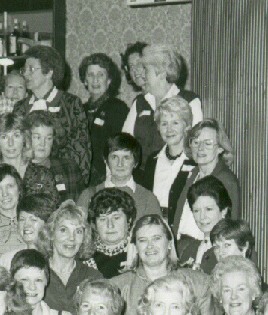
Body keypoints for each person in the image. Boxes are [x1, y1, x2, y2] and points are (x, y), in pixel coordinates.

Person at [111, 215, 213, 315]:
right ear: (136, 247)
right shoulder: (117, 287)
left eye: (156, 238)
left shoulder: (199, 283)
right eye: (142, 240)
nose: (150, 246)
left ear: (169, 243)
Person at [14, 45, 91, 199]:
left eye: (32, 69)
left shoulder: (70, 103)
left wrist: (76, 185)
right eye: (24, 70)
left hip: (64, 181)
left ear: (49, 72)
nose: (26, 74)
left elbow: (82, 149)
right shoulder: (20, 107)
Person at [122, 44, 203, 160]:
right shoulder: (140, 102)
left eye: (146, 70)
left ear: (162, 73)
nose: (142, 75)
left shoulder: (189, 100)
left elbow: (196, 145)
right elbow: (124, 143)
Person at [173, 119, 241, 239]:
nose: (200, 148)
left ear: (220, 148)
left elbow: (230, 228)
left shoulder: (226, 180)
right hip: (184, 248)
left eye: (208, 143)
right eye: (196, 142)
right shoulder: (192, 174)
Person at [135, 96, 197, 219]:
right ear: (158, 128)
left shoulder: (195, 160)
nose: (169, 129)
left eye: (175, 123)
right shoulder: (153, 160)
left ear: (187, 126)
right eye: (164, 124)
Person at [78, 133, 161, 221]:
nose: (120, 164)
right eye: (114, 157)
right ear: (106, 161)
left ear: (135, 163)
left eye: (126, 158)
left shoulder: (147, 199)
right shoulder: (88, 196)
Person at [39, 200, 102, 315]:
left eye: (78, 231)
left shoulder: (92, 277)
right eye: (64, 230)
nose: (71, 238)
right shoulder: (37, 272)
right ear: (51, 234)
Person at [10, 249, 81, 315]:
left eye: (38, 280)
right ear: (12, 282)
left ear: (46, 282)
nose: (32, 287)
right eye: (25, 280)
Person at [79, 52, 129, 186]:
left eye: (100, 75)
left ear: (109, 80)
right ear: (85, 80)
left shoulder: (118, 108)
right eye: (90, 75)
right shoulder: (78, 110)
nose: (95, 80)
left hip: (106, 179)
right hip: (81, 179)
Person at [0, 112, 59, 204]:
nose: (11, 143)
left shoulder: (41, 175)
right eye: (4, 137)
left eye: (16, 136)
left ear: (24, 139)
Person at [176, 176, 232, 272]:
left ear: (223, 211)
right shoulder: (190, 249)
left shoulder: (231, 250)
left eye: (208, 209)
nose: (202, 217)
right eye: (197, 210)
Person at [87, 188, 136, 279]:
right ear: (95, 224)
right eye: (103, 219)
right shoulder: (86, 258)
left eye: (116, 218)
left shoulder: (140, 254)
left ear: (129, 220)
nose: (110, 225)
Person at [0, 193, 57, 270]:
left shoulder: (57, 259)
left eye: (33, 220)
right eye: (22, 219)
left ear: (48, 224)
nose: (26, 225)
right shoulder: (7, 260)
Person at [26, 112, 71, 200]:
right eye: (37, 137)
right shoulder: (18, 171)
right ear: (26, 138)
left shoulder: (69, 168)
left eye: (48, 138)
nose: (43, 143)